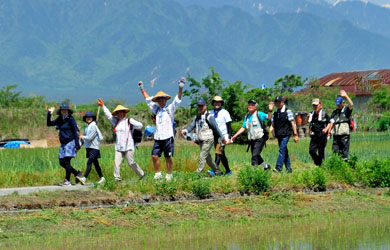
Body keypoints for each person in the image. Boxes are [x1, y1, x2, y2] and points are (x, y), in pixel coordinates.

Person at [138, 78, 185, 181]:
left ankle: (169, 174)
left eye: (163, 99)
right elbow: (148, 100)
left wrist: (180, 87)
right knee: (154, 155)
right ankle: (158, 173)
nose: (161, 101)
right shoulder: (157, 109)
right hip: (158, 137)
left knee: (168, 157)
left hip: (168, 137)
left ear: (165, 100)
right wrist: (142, 89)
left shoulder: (170, 109)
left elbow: (177, 100)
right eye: (159, 99)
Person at [97, 99, 145, 181]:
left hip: (129, 146)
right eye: (118, 113)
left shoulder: (129, 121)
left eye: (121, 112)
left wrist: (132, 121)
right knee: (116, 162)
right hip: (119, 147)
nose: (119, 114)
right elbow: (108, 115)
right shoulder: (115, 121)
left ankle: (142, 174)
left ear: (124, 113)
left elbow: (140, 125)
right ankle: (117, 178)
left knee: (131, 163)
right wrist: (103, 106)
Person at [181, 99, 226, 176]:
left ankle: (197, 174)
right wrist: (186, 130)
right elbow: (192, 126)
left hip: (208, 139)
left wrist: (222, 137)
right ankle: (218, 171)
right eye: (199, 106)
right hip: (201, 140)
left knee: (202, 156)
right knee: (208, 159)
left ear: (205, 106)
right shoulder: (197, 117)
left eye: (202, 106)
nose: (200, 107)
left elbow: (216, 128)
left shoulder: (209, 117)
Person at [231, 100, 273, 170]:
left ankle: (254, 171)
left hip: (260, 137)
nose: (250, 106)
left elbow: (269, 117)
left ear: (256, 107)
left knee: (255, 155)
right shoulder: (247, 116)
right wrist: (235, 136)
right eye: (249, 104)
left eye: (252, 105)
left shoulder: (259, 114)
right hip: (252, 139)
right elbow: (243, 127)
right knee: (256, 155)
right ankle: (266, 167)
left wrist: (270, 110)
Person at [47, 103, 82, 186]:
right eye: (63, 110)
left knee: (66, 162)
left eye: (65, 110)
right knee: (61, 162)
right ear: (61, 111)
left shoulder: (71, 119)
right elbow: (49, 124)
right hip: (63, 143)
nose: (64, 111)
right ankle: (76, 173)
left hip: (70, 142)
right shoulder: (60, 119)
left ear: (68, 111)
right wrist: (49, 114)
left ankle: (67, 181)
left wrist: (77, 145)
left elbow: (75, 132)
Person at [271, 96, 298, 173]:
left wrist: (295, 135)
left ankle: (278, 168)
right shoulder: (275, 113)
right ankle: (289, 169)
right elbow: (272, 124)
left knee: (282, 149)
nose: (278, 104)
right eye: (276, 102)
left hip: (286, 133)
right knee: (284, 151)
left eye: (279, 102)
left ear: (282, 102)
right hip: (279, 134)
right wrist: (269, 132)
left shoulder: (287, 111)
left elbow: (293, 123)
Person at [76, 112, 105, 185]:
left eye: (90, 117)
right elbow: (84, 139)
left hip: (94, 147)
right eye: (87, 117)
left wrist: (81, 136)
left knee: (89, 162)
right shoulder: (87, 126)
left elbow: (89, 138)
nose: (88, 118)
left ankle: (84, 178)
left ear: (92, 118)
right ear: (85, 119)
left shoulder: (94, 126)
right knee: (96, 164)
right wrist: (78, 147)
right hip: (88, 147)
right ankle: (102, 178)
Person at [209, 96, 232, 175]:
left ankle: (214, 171)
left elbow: (229, 125)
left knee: (218, 152)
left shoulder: (225, 112)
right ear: (213, 103)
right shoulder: (210, 113)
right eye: (215, 102)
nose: (217, 103)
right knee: (221, 154)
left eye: (219, 102)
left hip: (223, 136)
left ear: (221, 103)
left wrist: (229, 137)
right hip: (214, 136)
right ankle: (228, 171)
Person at [328, 90, 354, 160]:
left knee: (344, 153)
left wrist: (346, 96)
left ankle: (345, 167)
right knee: (335, 151)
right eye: (337, 104)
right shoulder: (335, 112)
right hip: (336, 136)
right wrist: (329, 132)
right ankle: (337, 167)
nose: (338, 105)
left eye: (339, 104)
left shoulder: (346, 110)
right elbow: (331, 122)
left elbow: (351, 104)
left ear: (343, 103)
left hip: (344, 135)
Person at [308, 99, 331, 166]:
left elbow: (329, 122)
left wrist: (326, 129)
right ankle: (319, 163)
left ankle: (322, 166)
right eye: (313, 105)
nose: (315, 107)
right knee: (311, 150)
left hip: (322, 134)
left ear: (320, 106)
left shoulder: (324, 114)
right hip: (314, 135)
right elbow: (308, 123)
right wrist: (308, 118)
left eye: (316, 105)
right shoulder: (311, 114)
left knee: (321, 151)